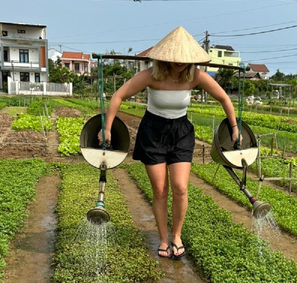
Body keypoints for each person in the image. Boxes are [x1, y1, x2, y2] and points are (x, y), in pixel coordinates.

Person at [98, 26, 239, 260]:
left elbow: (223, 97)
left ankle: (177, 235)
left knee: (181, 188)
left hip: (181, 132)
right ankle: (163, 239)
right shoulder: (151, 75)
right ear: (165, 57)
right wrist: (107, 127)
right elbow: (119, 95)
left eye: (185, 60)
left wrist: (234, 127)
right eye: (176, 59)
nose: (181, 63)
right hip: (153, 132)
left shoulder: (195, 76)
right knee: (160, 190)